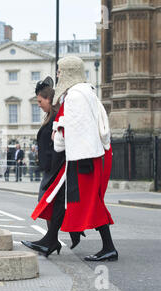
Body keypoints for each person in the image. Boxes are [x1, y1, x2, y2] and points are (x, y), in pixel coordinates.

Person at [27, 56, 117, 262]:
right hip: (89, 156)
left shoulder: (76, 95)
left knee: (89, 201)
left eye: (59, 71)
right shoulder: (87, 93)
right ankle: (50, 241)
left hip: (84, 158)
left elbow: (71, 129)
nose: (58, 75)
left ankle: (108, 247)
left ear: (67, 72)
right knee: (63, 199)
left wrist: (57, 134)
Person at [22, 76, 84, 253]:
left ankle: (58, 237)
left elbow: (59, 147)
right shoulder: (50, 116)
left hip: (55, 170)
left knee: (50, 202)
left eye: (40, 101)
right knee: (50, 203)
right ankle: (56, 238)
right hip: (51, 169)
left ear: (49, 99)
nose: (39, 104)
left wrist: (51, 167)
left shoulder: (57, 118)